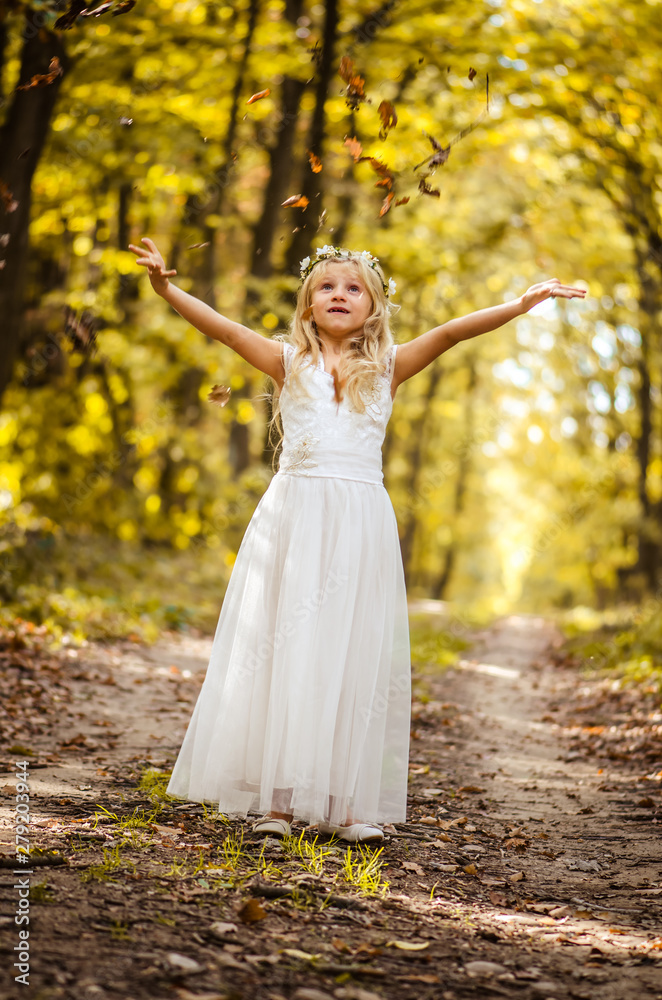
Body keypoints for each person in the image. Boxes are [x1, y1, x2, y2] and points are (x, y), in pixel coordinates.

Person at [128, 237, 586, 843]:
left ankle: (348, 806)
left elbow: (451, 332)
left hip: (360, 523)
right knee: (290, 651)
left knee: (350, 653)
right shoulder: (287, 360)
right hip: (295, 517)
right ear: (307, 304)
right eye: (327, 286)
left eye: (353, 288)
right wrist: (165, 289)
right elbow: (225, 329)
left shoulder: (390, 365)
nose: (339, 294)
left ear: (373, 306)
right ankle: (279, 804)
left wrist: (519, 306)